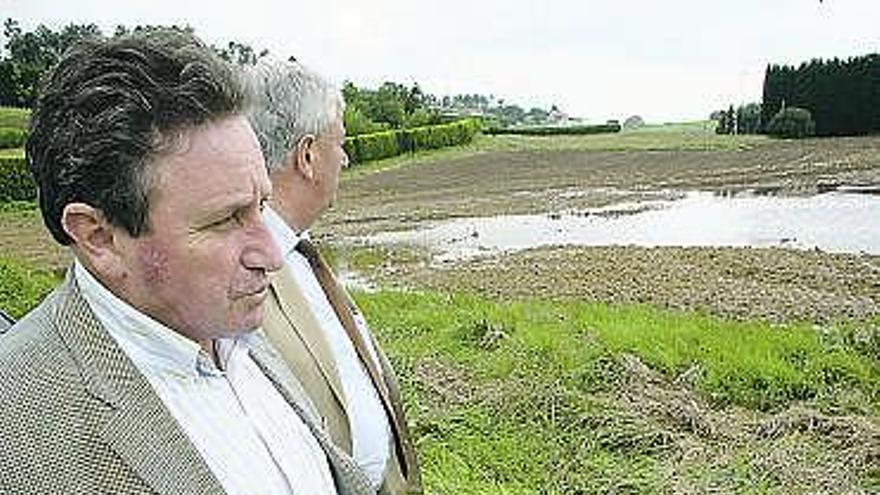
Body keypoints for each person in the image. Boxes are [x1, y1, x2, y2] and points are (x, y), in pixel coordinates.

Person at [0, 30, 372, 495]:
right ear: (100, 237)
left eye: (262, 204)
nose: (272, 256)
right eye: (224, 220)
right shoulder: (16, 433)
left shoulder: (222, 320)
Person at [247, 60, 421, 494]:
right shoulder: (245, 273)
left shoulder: (299, 251)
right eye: (338, 143)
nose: (344, 157)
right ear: (307, 156)